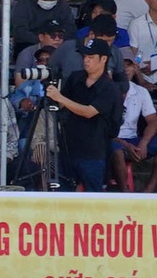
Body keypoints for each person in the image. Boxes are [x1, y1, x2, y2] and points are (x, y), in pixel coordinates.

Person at [45, 39, 120, 192]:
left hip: (93, 152)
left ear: (103, 59)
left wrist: (60, 98)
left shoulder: (109, 88)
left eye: (91, 57)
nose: (86, 60)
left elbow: (89, 112)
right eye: (85, 56)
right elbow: (60, 104)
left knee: (93, 197)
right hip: (68, 147)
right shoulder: (75, 77)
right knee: (63, 194)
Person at [110, 53, 157, 193]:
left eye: (129, 65)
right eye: (122, 66)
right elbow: (103, 129)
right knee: (117, 151)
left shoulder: (141, 91)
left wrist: (143, 143)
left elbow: (153, 121)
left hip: (132, 139)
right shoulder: (107, 89)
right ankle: (125, 193)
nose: (126, 69)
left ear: (135, 68)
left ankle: (148, 191)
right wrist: (125, 144)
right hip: (112, 140)